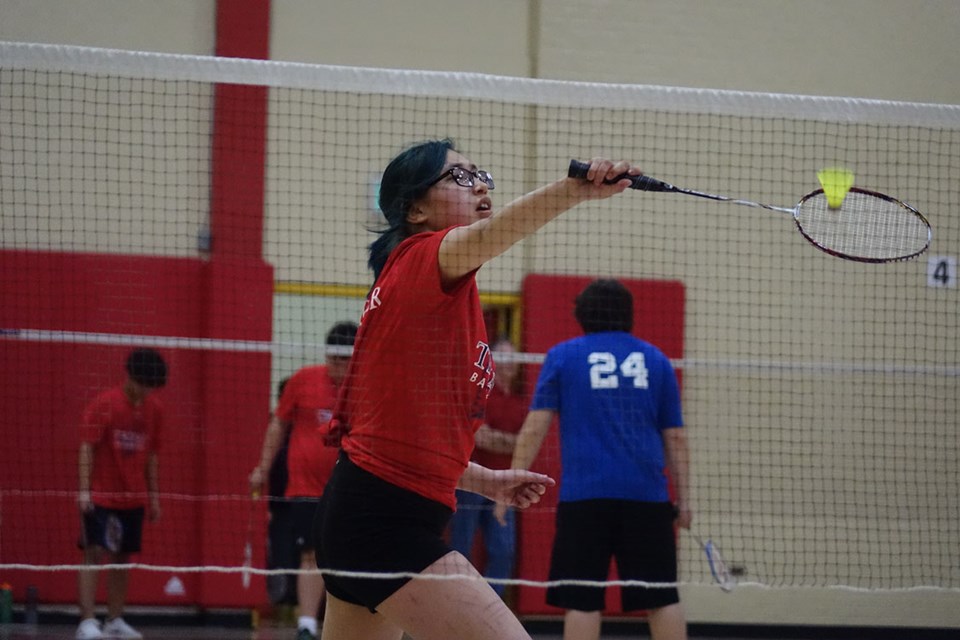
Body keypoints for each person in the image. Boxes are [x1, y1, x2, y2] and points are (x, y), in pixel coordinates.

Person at [314, 138, 641, 640]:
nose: (481, 185)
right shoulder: (424, 256)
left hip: (368, 514)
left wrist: (482, 480)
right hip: (383, 524)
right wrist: (575, 190)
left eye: (480, 174)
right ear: (416, 209)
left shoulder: (423, 291)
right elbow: (500, 231)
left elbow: (398, 436)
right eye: (459, 177)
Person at [510, 279, 692, 640]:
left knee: (581, 598)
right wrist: (685, 501)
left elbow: (535, 426)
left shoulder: (562, 356)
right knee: (661, 598)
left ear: (584, 313)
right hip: (648, 499)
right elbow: (676, 437)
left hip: (584, 499)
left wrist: (513, 478)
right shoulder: (656, 360)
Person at [249, 321, 358, 640]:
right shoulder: (303, 380)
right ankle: (307, 625)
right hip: (306, 488)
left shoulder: (365, 386)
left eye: (346, 360)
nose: (339, 367)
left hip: (348, 488)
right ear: (327, 356)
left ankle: (346, 626)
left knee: (348, 556)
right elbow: (278, 426)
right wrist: (261, 468)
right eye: (335, 359)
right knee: (310, 553)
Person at [76, 348, 168, 640]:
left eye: (151, 386)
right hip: (102, 496)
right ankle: (87, 621)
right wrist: (84, 491)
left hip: (133, 498)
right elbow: (87, 446)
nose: (146, 391)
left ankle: (114, 620)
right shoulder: (105, 404)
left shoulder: (155, 410)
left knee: (122, 557)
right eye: (142, 384)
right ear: (130, 376)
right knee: (93, 553)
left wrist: (153, 497)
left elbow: (152, 455)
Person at [448, 336, 527, 599]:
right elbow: (481, 437)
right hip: (471, 483)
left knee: (503, 550)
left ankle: (491, 607)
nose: (508, 364)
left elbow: (525, 444)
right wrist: (511, 441)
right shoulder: (480, 394)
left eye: (512, 358)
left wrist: (503, 440)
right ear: (491, 361)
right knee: (460, 547)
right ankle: (459, 604)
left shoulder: (521, 402)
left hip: (506, 486)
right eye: (502, 357)